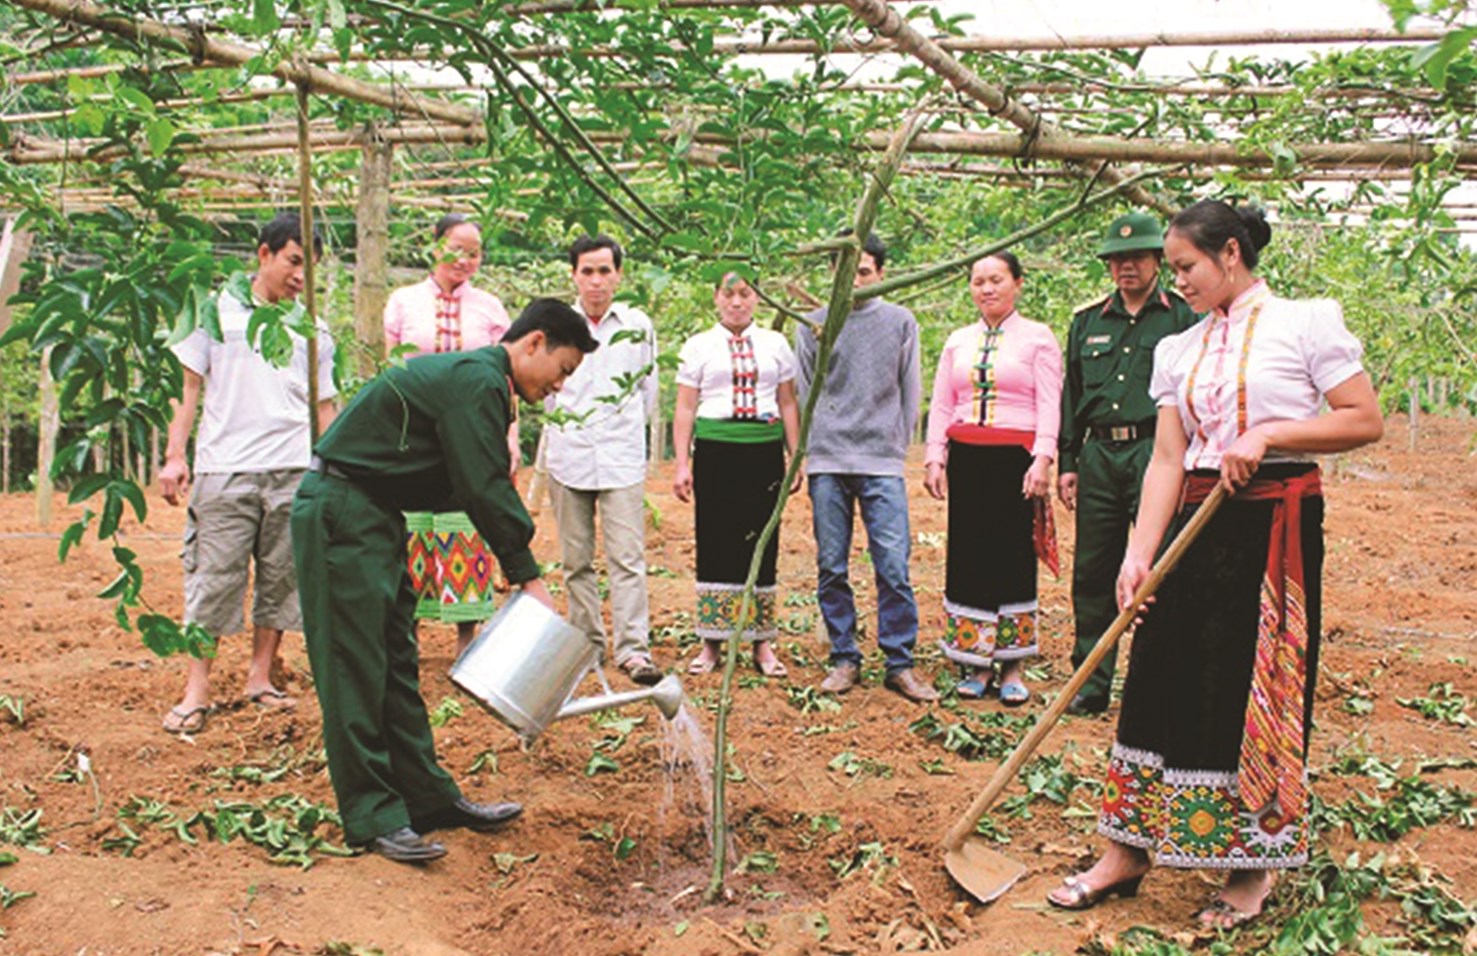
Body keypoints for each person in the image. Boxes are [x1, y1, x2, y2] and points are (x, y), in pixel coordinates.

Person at [1047, 201, 1382, 927]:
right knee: (1158, 672)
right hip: (1192, 523)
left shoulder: (1304, 323)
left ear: (1230, 254)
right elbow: (1167, 456)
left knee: (1248, 685)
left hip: (1270, 528)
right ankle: (1125, 849)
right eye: (1174, 270)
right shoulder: (1182, 347)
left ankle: (1248, 868)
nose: (1179, 281)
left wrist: (1269, 432)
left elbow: (1363, 417)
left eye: (1186, 267)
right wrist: (1139, 556)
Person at [291, 298, 597, 864]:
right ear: (534, 343)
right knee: (354, 669)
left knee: (395, 665)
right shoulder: (476, 382)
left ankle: (426, 798)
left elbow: (466, 478)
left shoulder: (483, 386)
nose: (559, 386)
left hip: (376, 515)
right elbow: (481, 484)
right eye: (563, 370)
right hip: (341, 510)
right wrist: (526, 576)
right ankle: (372, 815)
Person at [158, 212, 337, 735]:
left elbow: (324, 406)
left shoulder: (312, 327)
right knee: (213, 579)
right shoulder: (214, 312)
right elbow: (187, 385)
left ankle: (260, 677)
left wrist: (335, 469)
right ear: (264, 254)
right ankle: (197, 689)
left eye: (311, 266)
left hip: (292, 468)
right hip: (225, 469)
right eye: (293, 261)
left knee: (282, 579)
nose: (301, 275)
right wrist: (175, 454)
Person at [1057, 213, 1197, 715]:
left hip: (1156, 452)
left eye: (1136, 257)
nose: (1126, 267)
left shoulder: (1183, 317)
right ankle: (1089, 686)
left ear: (1157, 259)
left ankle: (1156, 686)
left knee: (1160, 568)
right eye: (1117, 259)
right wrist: (1068, 462)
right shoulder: (1087, 321)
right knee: (1094, 572)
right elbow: (1071, 394)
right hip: (1099, 456)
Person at [795, 233, 936, 703]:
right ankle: (844, 657)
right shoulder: (813, 324)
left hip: (881, 460)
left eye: (863, 272)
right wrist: (813, 448)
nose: (853, 282)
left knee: (893, 565)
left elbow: (909, 388)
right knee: (831, 563)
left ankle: (900, 662)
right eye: (844, 272)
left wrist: (895, 445)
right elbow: (804, 388)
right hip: (829, 459)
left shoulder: (900, 322)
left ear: (880, 274)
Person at [924, 252, 1062, 705]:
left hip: (1015, 462)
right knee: (969, 556)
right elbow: (943, 403)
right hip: (968, 459)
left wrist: (1042, 458)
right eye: (978, 281)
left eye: (996, 279)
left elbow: (1049, 403)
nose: (987, 288)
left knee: (1011, 556)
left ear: (1017, 284)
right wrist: (934, 457)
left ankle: (1013, 664)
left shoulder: (1038, 338)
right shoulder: (958, 341)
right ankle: (974, 663)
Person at [383, 213, 516, 657]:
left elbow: (507, 381)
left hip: (474, 437)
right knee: (414, 529)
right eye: (457, 248)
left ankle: (467, 642)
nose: (465, 260)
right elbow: (392, 373)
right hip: (416, 434)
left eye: (474, 252)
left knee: (468, 527)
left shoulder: (491, 308)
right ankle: (410, 637)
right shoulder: (402, 302)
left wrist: (509, 440)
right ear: (435, 246)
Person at [544, 234, 661, 686]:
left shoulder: (637, 325)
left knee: (626, 558)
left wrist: (628, 436)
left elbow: (647, 392)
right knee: (575, 560)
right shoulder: (556, 325)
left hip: (620, 457)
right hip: (568, 454)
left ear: (618, 275)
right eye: (587, 271)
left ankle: (633, 650)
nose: (596, 281)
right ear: (573, 274)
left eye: (604, 271)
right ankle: (587, 647)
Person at [673, 272, 801, 677]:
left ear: (757, 298)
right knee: (715, 540)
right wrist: (681, 463)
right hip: (715, 451)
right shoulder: (698, 346)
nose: (737, 303)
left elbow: (788, 403)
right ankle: (711, 641)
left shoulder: (776, 344)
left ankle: (762, 643)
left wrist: (796, 456)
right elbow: (685, 407)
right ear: (715, 298)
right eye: (728, 294)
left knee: (763, 541)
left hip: (762, 451)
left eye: (745, 294)